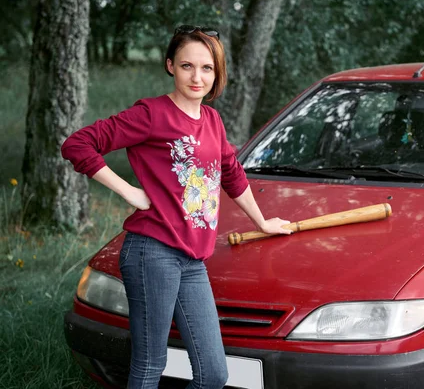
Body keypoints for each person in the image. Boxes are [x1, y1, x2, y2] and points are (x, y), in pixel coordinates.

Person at [61, 25, 292, 389]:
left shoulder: (212, 120)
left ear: (217, 73)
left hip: (192, 259)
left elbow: (231, 173)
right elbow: (78, 145)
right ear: (170, 65)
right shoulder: (151, 114)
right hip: (152, 252)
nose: (197, 77)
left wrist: (262, 222)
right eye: (187, 66)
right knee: (151, 365)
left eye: (206, 68)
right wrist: (129, 192)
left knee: (213, 374)